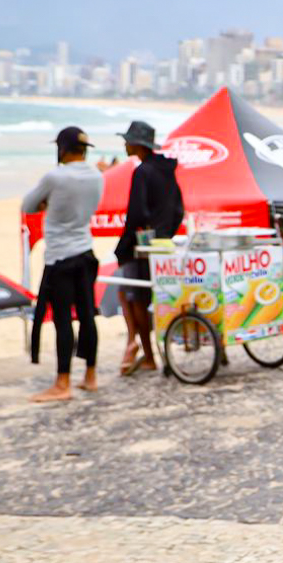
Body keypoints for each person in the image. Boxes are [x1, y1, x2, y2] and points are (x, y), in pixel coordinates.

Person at [23, 127, 103, 402]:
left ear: (62, 149)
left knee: (63, 320)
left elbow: (28, 205)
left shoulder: (55, 177)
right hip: (86, 253)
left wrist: (48, 204)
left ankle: (62, 383)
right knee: (87, 316)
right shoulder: (96, 175)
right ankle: (90, 376)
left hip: (60, 258)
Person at [114, 121, 184, 375]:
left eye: (127, 140)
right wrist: (165, 232)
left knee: (135, 298)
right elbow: (179, 210)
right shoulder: (166, 171)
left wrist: (123, 247)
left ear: (137, 144)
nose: (124, 144)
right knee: (151, 296)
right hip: (164, 244)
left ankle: (148, 355)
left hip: (141, 247)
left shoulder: (142, 172)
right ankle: (140, 347)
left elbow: (136, 214)